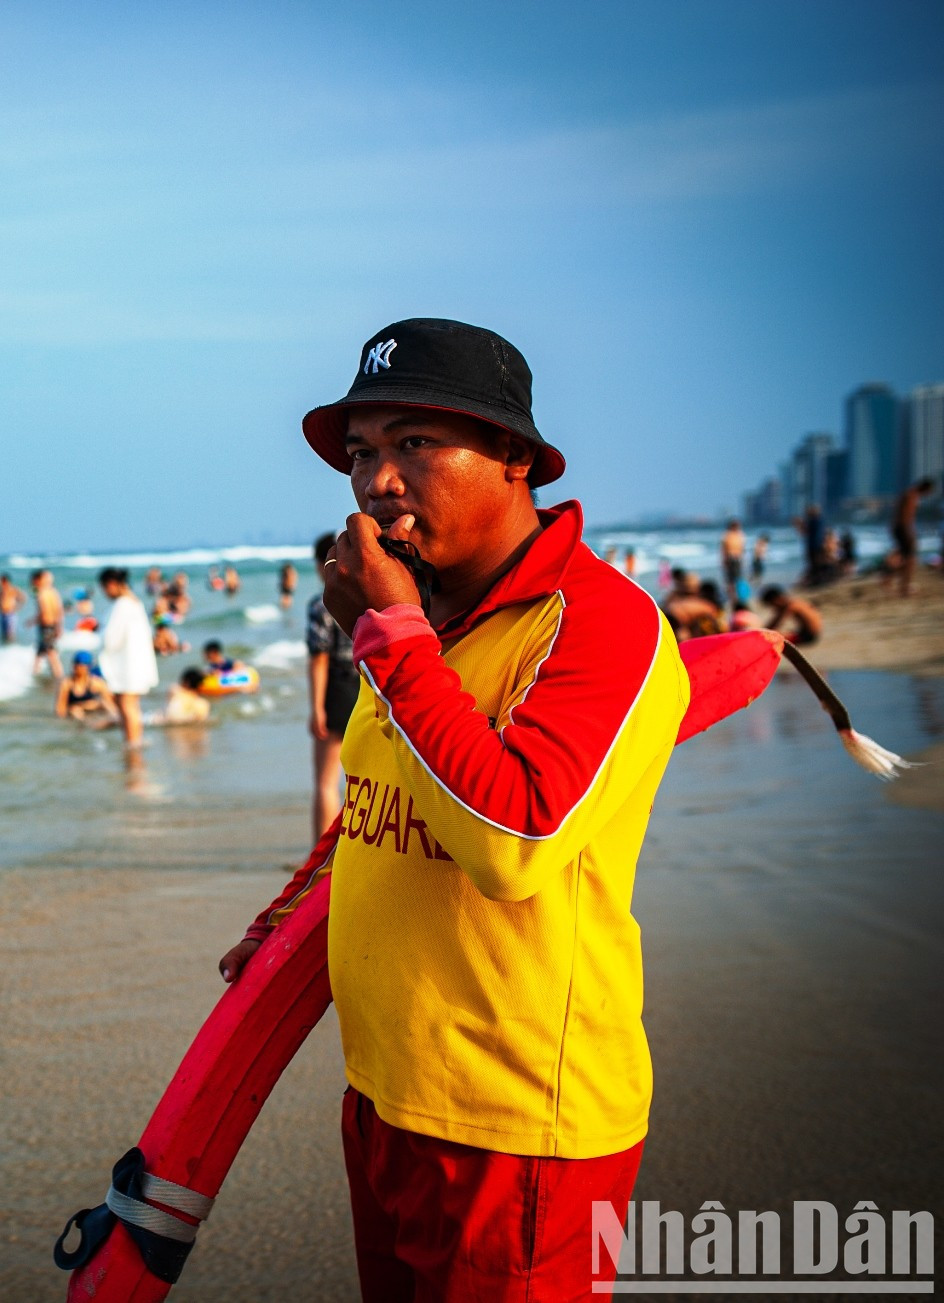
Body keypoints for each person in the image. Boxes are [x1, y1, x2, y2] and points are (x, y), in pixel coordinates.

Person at [217, 318, 688, 1299]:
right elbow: (377, 799)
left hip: (517, 1129)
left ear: (512, 455)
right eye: (361, 452)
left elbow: (515, 839)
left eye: (416, 443)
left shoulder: (600, 621)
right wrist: (284, 920)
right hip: (387, 1099)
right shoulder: (424, 620)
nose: (377, 480)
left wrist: (389, 638)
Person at [306, 531, 361, 838]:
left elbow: (319, 658)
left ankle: (321, 855)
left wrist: (316, 708)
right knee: (363, 780)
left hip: (337, 691)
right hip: (366, 687)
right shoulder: (362, 597)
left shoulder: (321, 604)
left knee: (326, 782)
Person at [97, 567, 159, 750]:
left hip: (128, 665)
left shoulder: (122, 605)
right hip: (136, 663)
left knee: (127, 705)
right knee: (131, 705)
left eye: (104, 588)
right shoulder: (134, 602)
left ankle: (132, 745)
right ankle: (135, 743)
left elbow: (111, 639)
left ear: (111, 584)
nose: (105, 593)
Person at [892, 479, 933, 597]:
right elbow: (906, 517)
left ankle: (902, 585)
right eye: (929, 491)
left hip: (899, 528)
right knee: (910, 559)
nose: (929, 494)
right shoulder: (912, 495)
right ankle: (905, 587)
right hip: (903, 529)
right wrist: (909, 533)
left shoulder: (909, 494)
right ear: (925, 488)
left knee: (903, 557)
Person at [55, 650, 115, 721]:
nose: (77, 668)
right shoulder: (67, 684)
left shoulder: (97, 683)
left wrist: (86, 705)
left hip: (94, 710)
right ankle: (86, 723)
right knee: (75, 711)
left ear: (88, 667)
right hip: (76, 713)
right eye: (76, 665)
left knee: (105, 705)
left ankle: (113, 721)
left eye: (80, 666)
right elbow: (60, 710)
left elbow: (111, 704)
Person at [30, 569, 64, 679]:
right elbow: (59, 610)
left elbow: (43, 612)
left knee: (51, 653)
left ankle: (59, 677)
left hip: (46, 626)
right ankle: (34, 674)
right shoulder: (53, 591)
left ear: (37, 581)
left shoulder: (41, 593)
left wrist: (33, 621)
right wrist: (59, 626)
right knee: (40, 652)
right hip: (53, 625)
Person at [0, 573, 25, 643]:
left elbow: (23, 598)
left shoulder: (13, 589)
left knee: (10, 634)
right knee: (2, 634)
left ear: (5, 581)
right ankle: (4, 647)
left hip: (10, 614)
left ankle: (11, 646)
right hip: (1, 614)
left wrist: (17, 608)